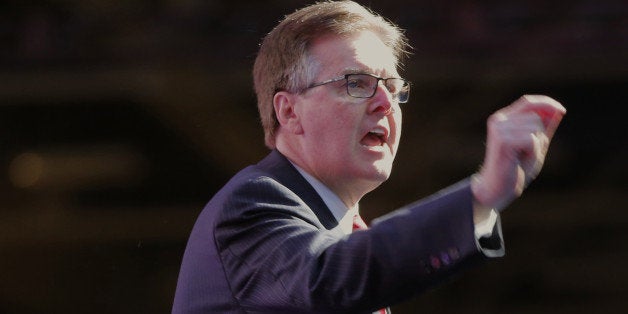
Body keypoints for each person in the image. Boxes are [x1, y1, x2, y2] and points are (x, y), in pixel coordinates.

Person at [172, 1, 566, 313]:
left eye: (394, 88)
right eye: (356, 84)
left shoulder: (339, 232)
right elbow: (329, 279)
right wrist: (480, 196)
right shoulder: (253, 204)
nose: (385, 103)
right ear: (289, 112)